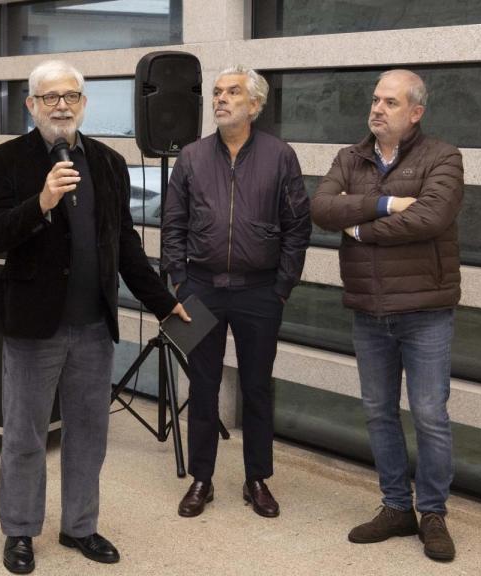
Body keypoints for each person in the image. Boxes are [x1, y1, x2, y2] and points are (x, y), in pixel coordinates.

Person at [0, 60, 188, 575]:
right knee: (25, 435)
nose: (61, 106)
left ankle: (80, 527)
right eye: (49, 97)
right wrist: (43, 200)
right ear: (31, 105)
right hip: (33, 324)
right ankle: (21, 531)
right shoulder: (6, 159)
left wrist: (162, 300)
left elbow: (124, 243)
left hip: (94, 325)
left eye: (70, 96)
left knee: (89, 433)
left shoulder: (109, 162)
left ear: (84, 103)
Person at [310, 69, 464, 562]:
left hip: (426, 311)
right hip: (369, 309)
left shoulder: (442, 156)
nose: (377, 109)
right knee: (379, 413)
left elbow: (432, 217)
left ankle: (433, 512)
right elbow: (321, 207)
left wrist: (361, 230)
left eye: (390, 102)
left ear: (415, 112)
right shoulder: (349, 157)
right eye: (375, 100)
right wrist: (385, 203)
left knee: (429, 415)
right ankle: (396, 506)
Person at [161, 66, 311, 519]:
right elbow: (173, 225)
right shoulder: (191, 157)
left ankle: (257, 479)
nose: (221, 99)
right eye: (218, 92)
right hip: (201, 289)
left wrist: (282, 286)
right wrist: (180, 284)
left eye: (233, 92)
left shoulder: (280, 155)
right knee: (203, 387)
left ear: (255, 105)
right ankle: (201, 480)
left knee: (256, 387)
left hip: (260, 292)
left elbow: (297, 227)